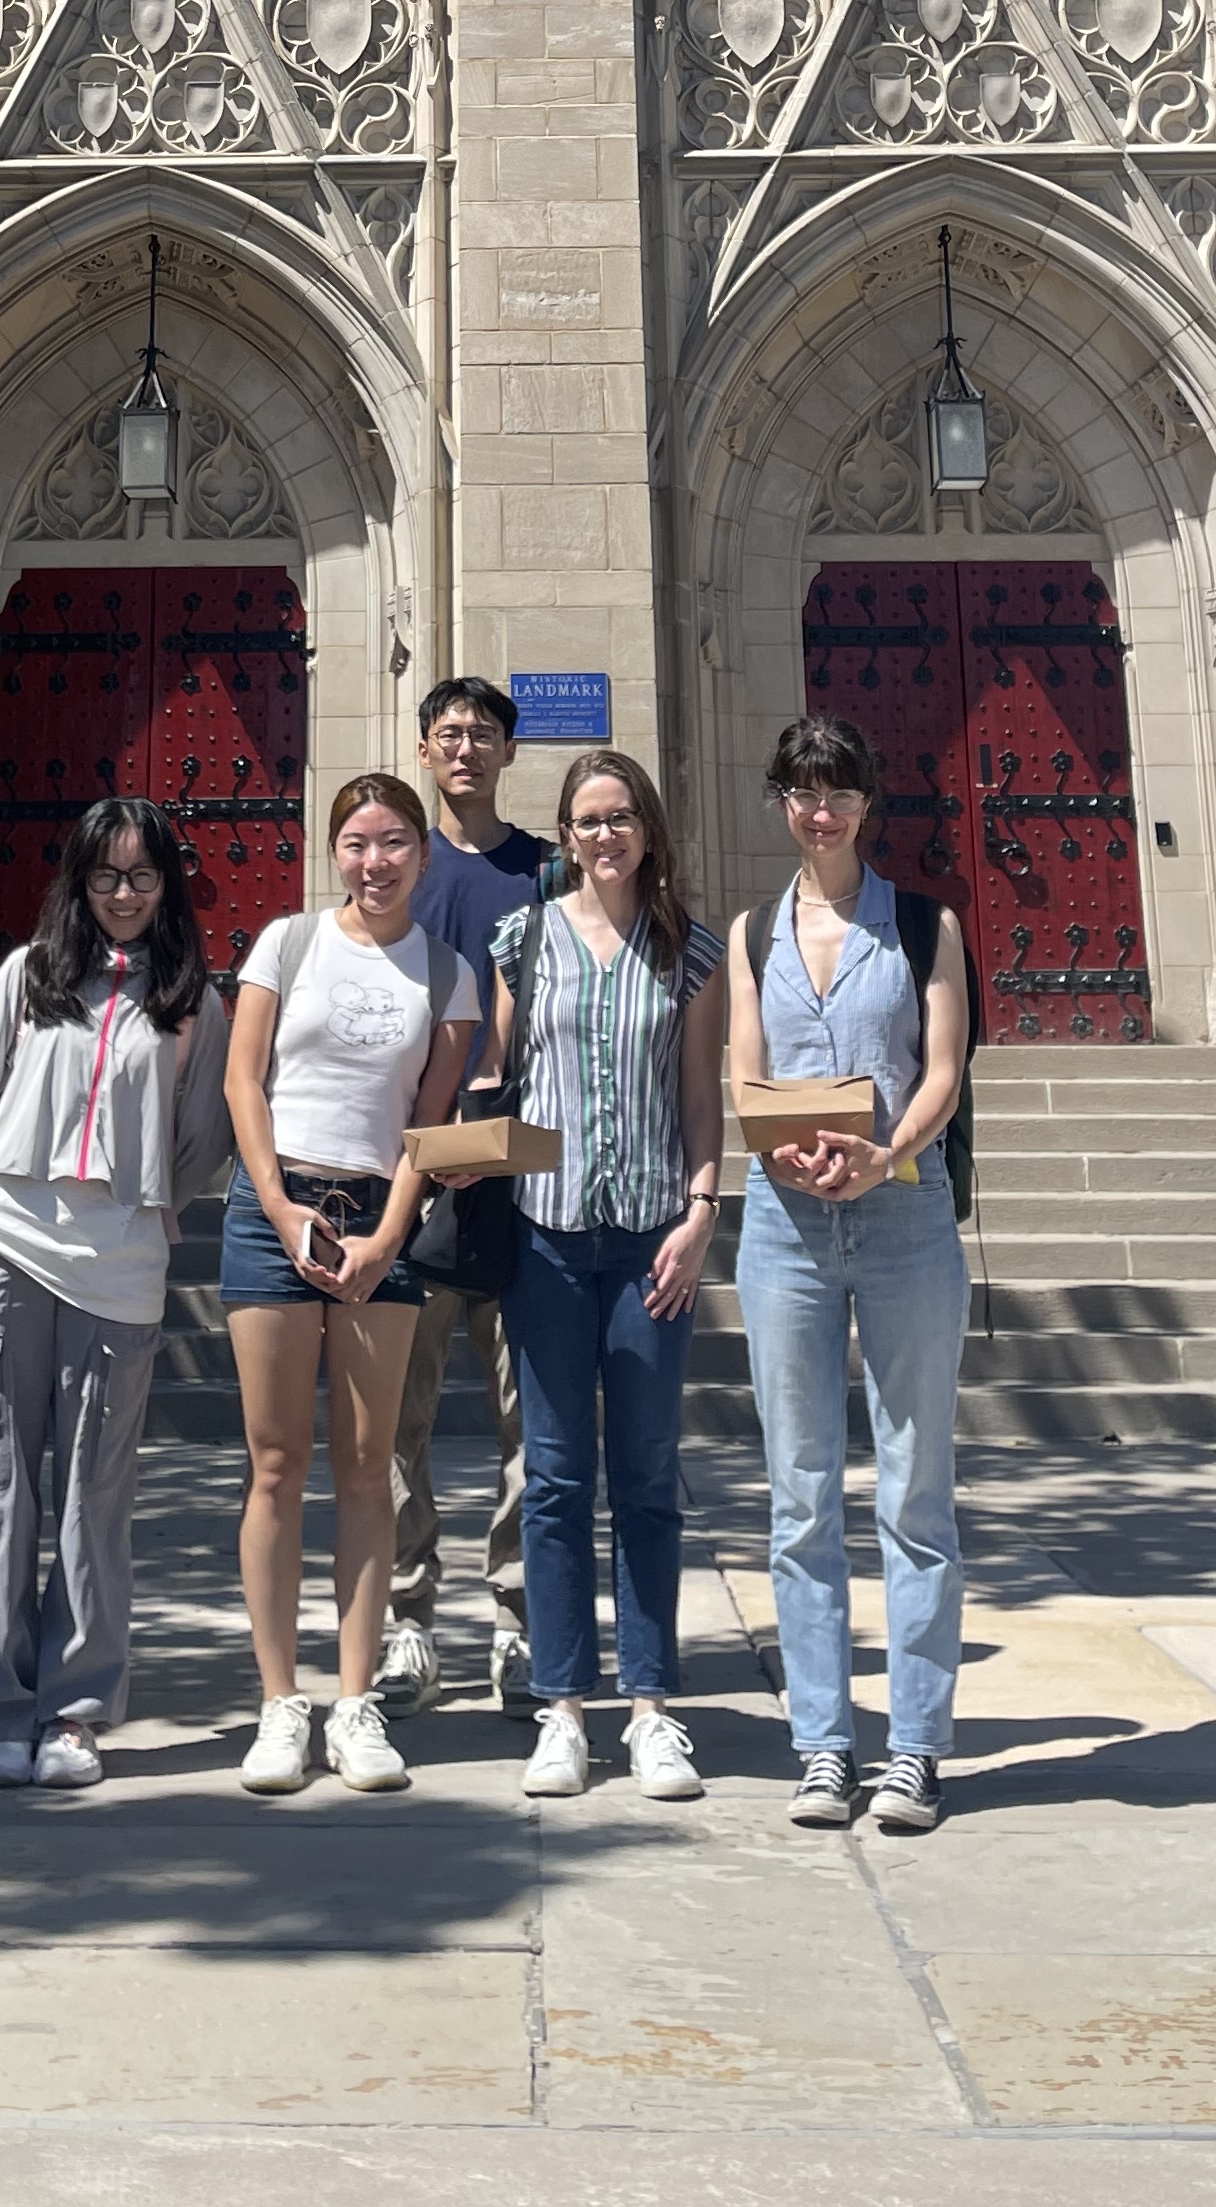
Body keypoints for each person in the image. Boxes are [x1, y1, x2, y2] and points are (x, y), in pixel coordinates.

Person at [0, 797, 234, 1792]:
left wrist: (149, 1189)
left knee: (94, 1506)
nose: (124, 896)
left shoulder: (190, 1005)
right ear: (78, 885)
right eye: (105, 876)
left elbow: (204, 1138)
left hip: (118, 1273)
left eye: (143, 876)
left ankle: (76, 1712)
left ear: (167, 884)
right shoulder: (25, 980)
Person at [724, 711, 973, 1833]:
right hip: (786, 1228)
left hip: (906, 1220)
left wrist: (887, 1155)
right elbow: (746, 1076)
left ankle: (915, 1747)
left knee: (915, 1492)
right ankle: (824, 1745)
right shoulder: (750, 937)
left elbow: (945, 1068)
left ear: (868, 804)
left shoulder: (926, 926)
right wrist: (797, 1154)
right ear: (781, 801)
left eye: (839, 793)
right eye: (802, 792)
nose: (820, 812)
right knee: (800, 1495)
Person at [223, 772, 483, 1796]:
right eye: (357, 843)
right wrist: (280, 1205)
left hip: (383, 1215)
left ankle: (356, 1701)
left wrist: (388, 1233)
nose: (375, 862)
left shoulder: (448, 973)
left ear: (422, 854)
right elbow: (246, 1080)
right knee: (277, 1462)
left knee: (371, 1468)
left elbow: (432, 1110)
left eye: (394, 844)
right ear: (334, 850)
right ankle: (281, 1703)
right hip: (274, 1209)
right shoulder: (286, 946)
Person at [492, 746, 727, 1806]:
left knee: (643, 1474)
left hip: (647, 1243)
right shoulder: (525, 940)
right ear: (565, 832)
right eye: (587, 819)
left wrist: (701, 1212)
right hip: (544, 1238)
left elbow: (699, 1100)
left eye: (621, 816)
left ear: (649, 828)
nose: (604, 835)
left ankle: (649, 1705)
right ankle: (560, 1707)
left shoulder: (689, 948)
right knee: (551, 1479)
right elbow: (500, 1081)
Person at [385, 673, 561, 1717]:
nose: (465, 750)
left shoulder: (546, 870)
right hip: (410, 1184)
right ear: (422, 749)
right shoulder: (395, 874)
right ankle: (410, 1621)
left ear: (507, 751)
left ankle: (517, 1624)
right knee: (399, 1424)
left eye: (483, 734)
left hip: (523, 1180)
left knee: (525, 1425)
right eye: (448, 733)